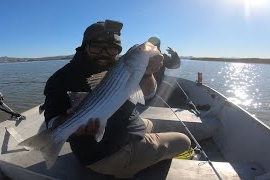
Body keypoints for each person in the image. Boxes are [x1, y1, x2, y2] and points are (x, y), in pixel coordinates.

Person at [43, 20, 190, 178]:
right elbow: (52, 119)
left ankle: (141, 149)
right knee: (184, 141)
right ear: (85, 46)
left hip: (123, 129)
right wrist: (71, 128)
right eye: (96, 46)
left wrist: (147, 74)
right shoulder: (59, 78)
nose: (104, 53)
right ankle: (129, 165)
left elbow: (147, 96)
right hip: (106, 155)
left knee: (149, 123)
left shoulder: (118, 66)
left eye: (112, 48)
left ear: (119, 51)